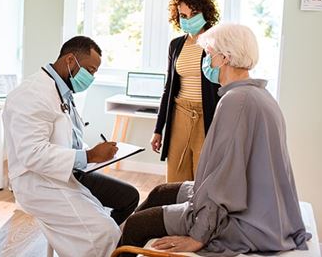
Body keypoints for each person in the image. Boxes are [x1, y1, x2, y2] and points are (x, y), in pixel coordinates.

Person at [118, 23, 311, 256]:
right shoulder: (258, 94)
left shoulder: (236, 102)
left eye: (209, 55)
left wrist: (199, 235)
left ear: (224, 58)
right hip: (258, 205)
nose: (206, 62)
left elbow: (224, 181)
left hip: (247, 219)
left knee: (139, 225)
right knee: (160, 191)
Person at [4, 36, 140, 257]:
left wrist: (93, 153)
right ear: (70, 60)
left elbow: (68, 138)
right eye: (90, 70)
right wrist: (89, 155)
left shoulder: (62, 90)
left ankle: (97, 244)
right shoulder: (31, 94)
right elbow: (32, 154)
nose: (91, 78)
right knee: (103, 232)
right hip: (37, 181)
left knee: (126, 201)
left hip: (67, 172)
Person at [151, 0, 221, 182]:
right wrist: (158, 129)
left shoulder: (217, 43)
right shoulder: (176, 45)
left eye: (194, 13)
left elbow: (223, 86)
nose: (189, 20)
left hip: (206, 116)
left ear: (205, 12)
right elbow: (168, 89)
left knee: (203, 176)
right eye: (184, 15)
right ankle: (176, 213)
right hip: (179, 114)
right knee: (175, 175)